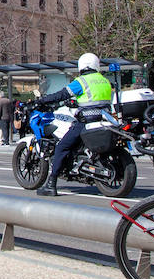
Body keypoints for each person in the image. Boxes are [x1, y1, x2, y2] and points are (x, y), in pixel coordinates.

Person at [33, 52, 114, 196]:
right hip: (104, 120)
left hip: (86, 120)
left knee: (62, 147)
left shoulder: (82, 81)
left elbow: (63, 94)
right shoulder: (104, 81)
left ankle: (51, 184)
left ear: (82, 66)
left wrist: (42, 100)